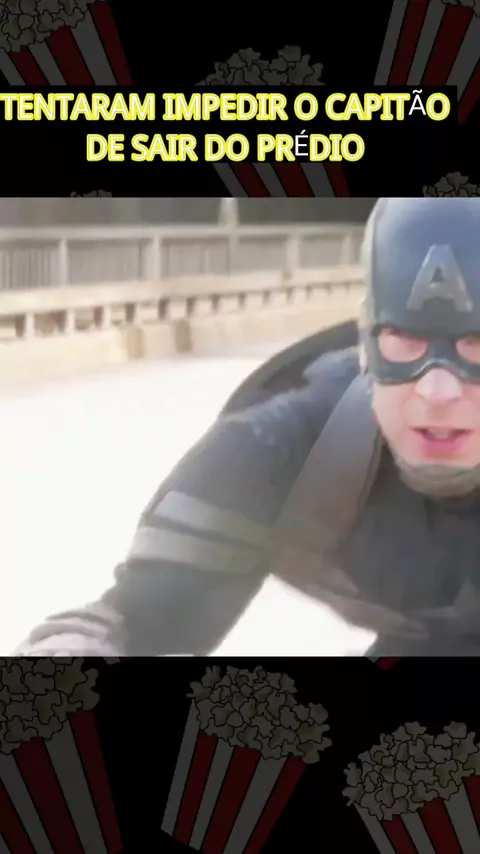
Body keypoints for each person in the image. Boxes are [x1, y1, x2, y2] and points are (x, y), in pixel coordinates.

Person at [15, 197, 480, 657]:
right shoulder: (290, 446)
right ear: (365, 343)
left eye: (477, 344)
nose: (438, 391)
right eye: (404, 340)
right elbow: (136, 621)